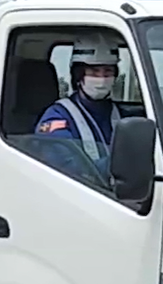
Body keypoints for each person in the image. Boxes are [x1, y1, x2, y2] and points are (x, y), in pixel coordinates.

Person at [33, 33, 122, 178]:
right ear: (79, 75)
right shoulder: (56, 117)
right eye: (94, 72)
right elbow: (67, 169)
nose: (102, 79)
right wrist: (123, 164)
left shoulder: (122, 115)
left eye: (108, 71)